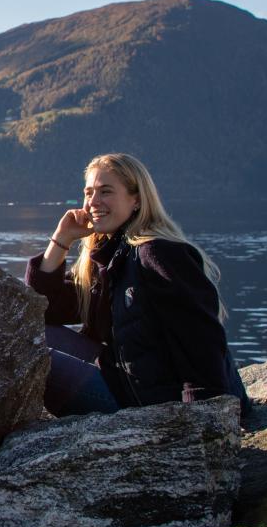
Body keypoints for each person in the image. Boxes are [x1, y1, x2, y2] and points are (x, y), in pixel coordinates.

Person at [25, 152, 248, 416]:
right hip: (123, 378)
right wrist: (61, 239)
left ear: (137, 199)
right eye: (88, 193)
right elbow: (41, 310)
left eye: (105, 192)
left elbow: (200, 336)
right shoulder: (110, 256)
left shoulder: (158, 254)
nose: (93, 202)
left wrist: (201, 415)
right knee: (29, 338)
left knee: (27, 359)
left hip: (152, 403)